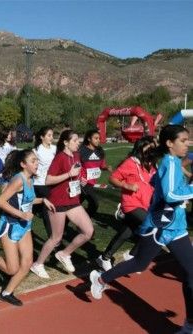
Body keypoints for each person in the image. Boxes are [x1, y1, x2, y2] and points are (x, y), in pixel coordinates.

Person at [90, 125, 193, 334]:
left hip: (175, 226)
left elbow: (161, 186)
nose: (187, 144)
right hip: (160, 226)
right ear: (169, 143)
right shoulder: (169, 164)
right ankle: (100, 278)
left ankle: (189, 325)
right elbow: (172, 195)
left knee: (191, 273)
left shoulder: (170, 163)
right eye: (183, 140)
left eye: (188, 140)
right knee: (140, 262)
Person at [0, 149, 55, 306]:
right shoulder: (18, 180)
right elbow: (0, 202)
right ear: (23, 164)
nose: (37, 163)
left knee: (27, 263)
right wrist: (21, 215)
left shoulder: (30, 179)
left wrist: (43, 200)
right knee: (12, 269)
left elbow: (27, 200)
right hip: (10, 226)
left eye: (36, 160)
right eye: (33, 161)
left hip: (24, 227)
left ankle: (6, 292)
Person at [30, 129, 94, 279]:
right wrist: (68, 175)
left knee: (88, 231)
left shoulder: (77, 156)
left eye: (78, 140)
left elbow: (77, 174)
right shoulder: (59, 157)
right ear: (66, 142)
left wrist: (80, 179)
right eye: (75, 140)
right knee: (56, 238)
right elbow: (48, 180)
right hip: (57, 202)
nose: (78, 142)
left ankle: (64, 254)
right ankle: (38, 264)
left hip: (73, 201)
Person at [96, 136, 157, 271]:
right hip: (131, 204)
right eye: (150, 148)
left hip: (145, 204)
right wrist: (126, 185)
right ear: (141, 149)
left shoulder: (151, 164)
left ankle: (104, 257)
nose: (152, 151)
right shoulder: (130, 162)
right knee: (153, 226)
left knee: (127, 232)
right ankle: (132, 255)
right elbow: (112, 178)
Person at [79, 129, 112, 218]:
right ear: (89, 139)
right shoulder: (81, 150)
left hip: (92, 182)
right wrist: (80, 177)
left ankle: (65, 220)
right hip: (83, 183)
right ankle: (85, 220)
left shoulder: (100, 151)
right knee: (94, 203)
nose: (98, 140)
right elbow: (76, 166)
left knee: (75, 204)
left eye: (99, 138)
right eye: (96, 138)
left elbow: (102, 165)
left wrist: (106, 167)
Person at [33, 127, 57, 236]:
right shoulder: (36, 150)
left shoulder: (54, 148)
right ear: (42, 137)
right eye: (49, 135)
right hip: (40, 183)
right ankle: (52, 236)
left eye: (52, 135)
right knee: (46, 209)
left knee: (36, 208)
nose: (51, 138)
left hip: (51, 182)